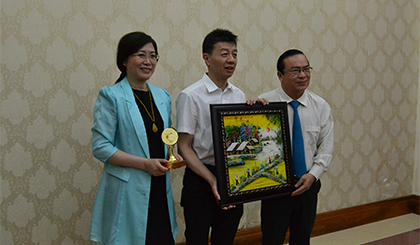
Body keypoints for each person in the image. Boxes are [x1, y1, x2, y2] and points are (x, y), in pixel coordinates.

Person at [89, 32, 181, 245]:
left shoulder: (162, 96)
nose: (148, 62)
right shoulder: (111, 95)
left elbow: (162, 136)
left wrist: (171, 153)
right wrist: (145, 164)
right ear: (124, 60)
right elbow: (101, 147)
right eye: (141, 55)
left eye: (153, 56)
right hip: (128, 188)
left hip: (159, 187)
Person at [176, 28, 250, 245]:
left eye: (235, 54)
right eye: (224, 53)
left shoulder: (239, 95)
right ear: (207, 59)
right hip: (200, 178)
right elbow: (184, 146)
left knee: (225, 237)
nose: (231, 60)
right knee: (197, 238)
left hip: (232, 176)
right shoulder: (190, 96)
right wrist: (212, 180)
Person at [258, 49, 334, 245]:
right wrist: (250, 110)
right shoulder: (264, 103)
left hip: (308, 184)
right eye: (295, 70)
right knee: (272, 239)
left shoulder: (320, 106)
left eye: (306, 69)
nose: (303, 75)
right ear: (280, 75)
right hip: (275, 189)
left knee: (302, 239)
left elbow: (326, 147)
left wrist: (313, 175)